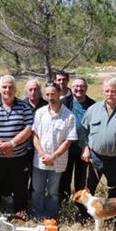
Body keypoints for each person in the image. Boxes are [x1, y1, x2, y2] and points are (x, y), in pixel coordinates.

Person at [0, 75, 33, 218]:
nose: (7, 89)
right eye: (4, 87)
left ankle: (20, 211)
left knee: (20, 186)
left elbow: (29, 128)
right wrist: (1, 146)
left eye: (10, 87)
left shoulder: (24, 106)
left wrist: (12, 144)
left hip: (18, 157)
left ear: (15, 89)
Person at [31, 82, 77, 219]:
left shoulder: (69, 116)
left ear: (59, 94)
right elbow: (35, 135)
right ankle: (36, 215)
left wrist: (53, 156)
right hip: (40, 160)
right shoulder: (40, 113)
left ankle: (50, 217)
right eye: (48, 94)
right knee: (37, 191)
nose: (50, 97)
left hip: (58, 162)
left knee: (53, 192)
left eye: (53, 94)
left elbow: (68, 141)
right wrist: (42, 154)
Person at [58, 77, 96, 204]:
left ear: (86, 88)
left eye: (82, 86)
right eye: (76, 86)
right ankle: (63, 205)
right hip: (65, 147)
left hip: (83, 149)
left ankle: (80, 208)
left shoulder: (93, 105)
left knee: (81, 180)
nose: (79, 89)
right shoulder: (63, 102)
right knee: (64, 178)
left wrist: (88, 147)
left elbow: (95, 129)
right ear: (71, 87)